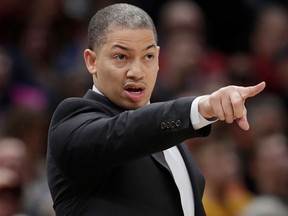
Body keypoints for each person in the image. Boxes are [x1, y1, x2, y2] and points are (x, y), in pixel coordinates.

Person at [46, 3, 266, 216]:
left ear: (159, 59)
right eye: (121, 57)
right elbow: (127, 130)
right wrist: (200, 107)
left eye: (148, 56)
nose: (137, 71)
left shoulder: (174, 146)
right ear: (91, 61)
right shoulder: (72, 121)